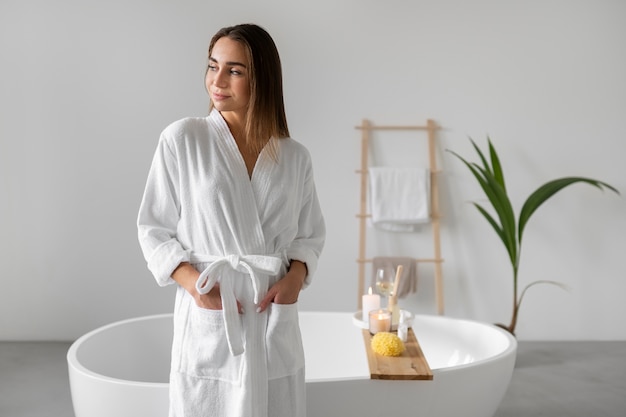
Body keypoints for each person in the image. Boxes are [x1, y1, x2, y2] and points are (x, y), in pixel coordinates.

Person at [137, 23, 325, 417]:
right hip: (212, 308)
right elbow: (153, 228)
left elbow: (309, 235)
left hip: (271, 311)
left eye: (234, 70)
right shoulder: (182, 139)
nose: (217, 80)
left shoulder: (294, 157)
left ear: (262, 79)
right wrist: (198, 289)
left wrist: (293, 281)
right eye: (212, 66)